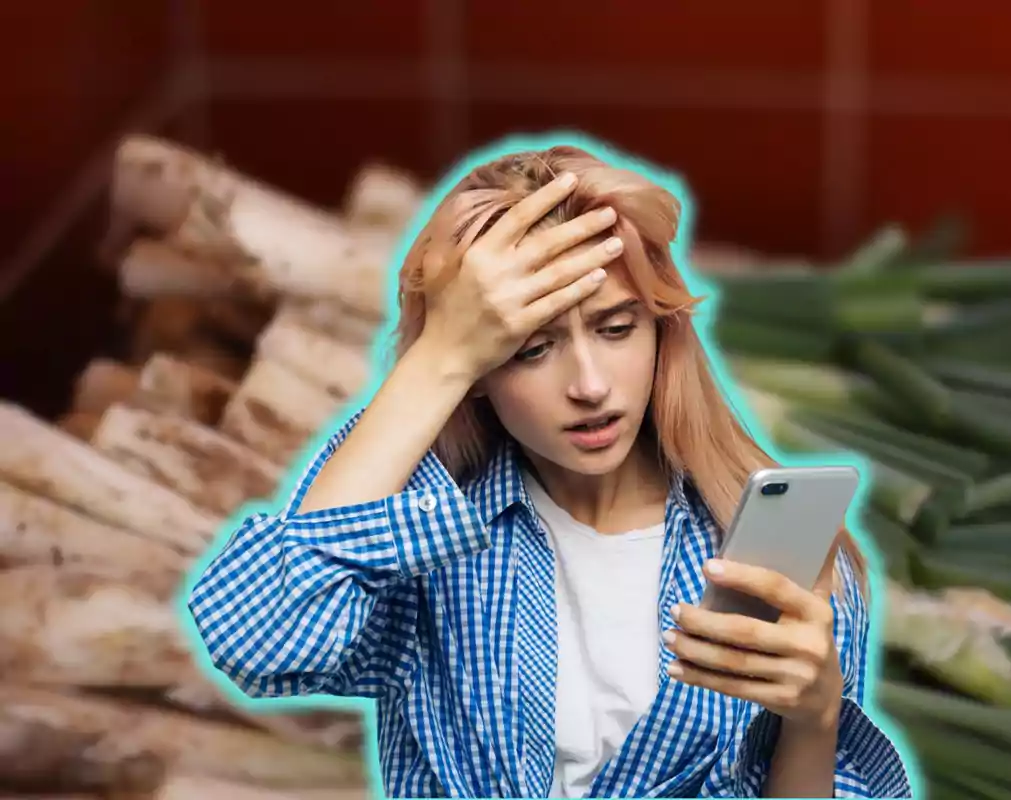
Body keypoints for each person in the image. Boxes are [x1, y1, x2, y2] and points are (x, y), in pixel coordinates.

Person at [186, 144, 912, 799]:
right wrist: (438, 355)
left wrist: (814, 720)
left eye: (617, 327)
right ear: (478, 372)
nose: (590, 384)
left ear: (663, 330)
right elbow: (262, 639)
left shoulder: (764, 554)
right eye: (531, 349)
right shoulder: (430, 545)